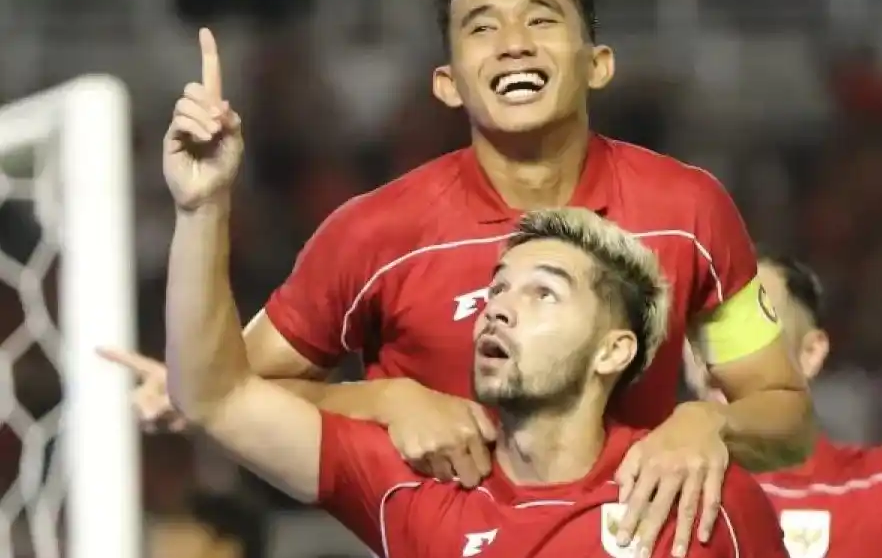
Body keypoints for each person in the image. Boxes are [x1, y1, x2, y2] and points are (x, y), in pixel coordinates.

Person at [107, 0, 813, 556]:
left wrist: (709, 423)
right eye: (482, 27)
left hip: (640, 531)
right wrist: (389, 400)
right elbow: (238, 385)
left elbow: (783, 417)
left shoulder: (689, 208)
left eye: (542, 19)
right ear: (447, 84)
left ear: (598, 63)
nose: (513, 41)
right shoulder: (374, 233)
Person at [166, 206, 788, 558]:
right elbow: (214, 395)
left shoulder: (703, 499)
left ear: (612, 351)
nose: (498, 308)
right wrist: (203, 207)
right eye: (496, 289)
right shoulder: (415, 486)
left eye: (543, 292)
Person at [684, 254, 882, 558]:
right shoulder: (627, 498)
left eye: (751, 327)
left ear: (810, 353)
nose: (717, 352)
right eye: (702, 328)